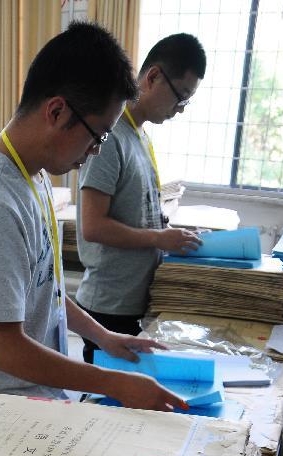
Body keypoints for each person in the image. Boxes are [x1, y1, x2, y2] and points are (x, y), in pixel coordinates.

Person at [0, 21, 185, 412]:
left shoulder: (32, 176)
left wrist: (103, 336)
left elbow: (44, 289)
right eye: (99, 134)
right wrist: (116, 383)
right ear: (57, 110)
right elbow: (6, 351)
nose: (95, 151)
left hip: (31, 398)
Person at [76, 33, 207, 362]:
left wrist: (170, 236)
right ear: (153, 77)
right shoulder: (110, 139)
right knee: (106, 403)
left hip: (133, 299)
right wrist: (159, 238)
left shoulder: (140, 135)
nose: (179, 110)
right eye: (181, 98)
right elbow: (93, 226)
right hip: (108, 306)